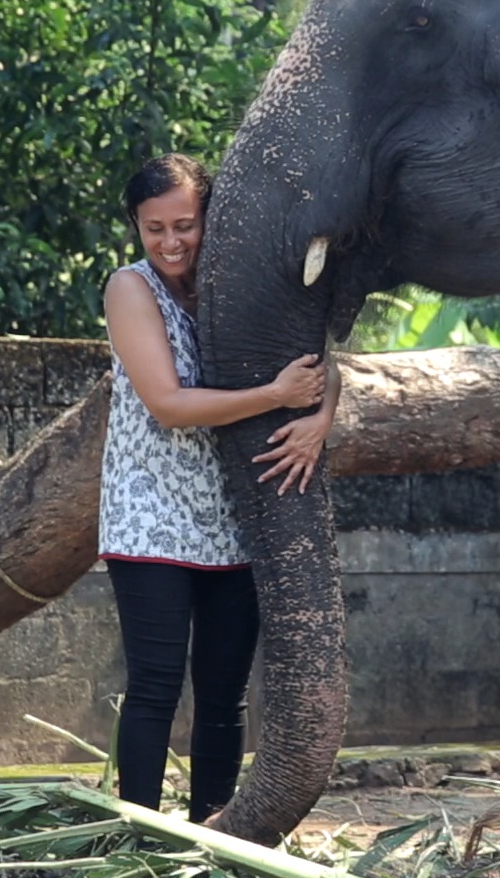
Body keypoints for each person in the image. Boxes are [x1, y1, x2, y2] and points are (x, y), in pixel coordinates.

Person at [98, 152, 340, 820]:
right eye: (155, 229)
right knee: (154, 685)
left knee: (224, 692)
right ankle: (139, 835)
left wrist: (318, 416)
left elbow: (320, 356)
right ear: (137, 231)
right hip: (149, 517)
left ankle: (212, 832)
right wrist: (274, 395)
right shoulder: (131, 289)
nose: (171, 242)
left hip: (235, 512)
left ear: (212, 219)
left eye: (185, 224)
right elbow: (169, 404)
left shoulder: (232, 281)